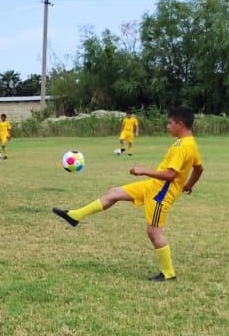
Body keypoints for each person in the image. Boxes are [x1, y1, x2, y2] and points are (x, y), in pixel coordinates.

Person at [53, 105, 204, 282]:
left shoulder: (182, 147)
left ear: (180, 124)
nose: (167, 126)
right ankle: (75, 216)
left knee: (154, 232)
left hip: (161, 193)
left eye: (170, 123)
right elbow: (199, 168)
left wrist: (143, 170)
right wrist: (188, 185)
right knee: (115, 192)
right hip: (153, 186)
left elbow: (171, 175)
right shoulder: (190, 143)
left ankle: (168, 273)